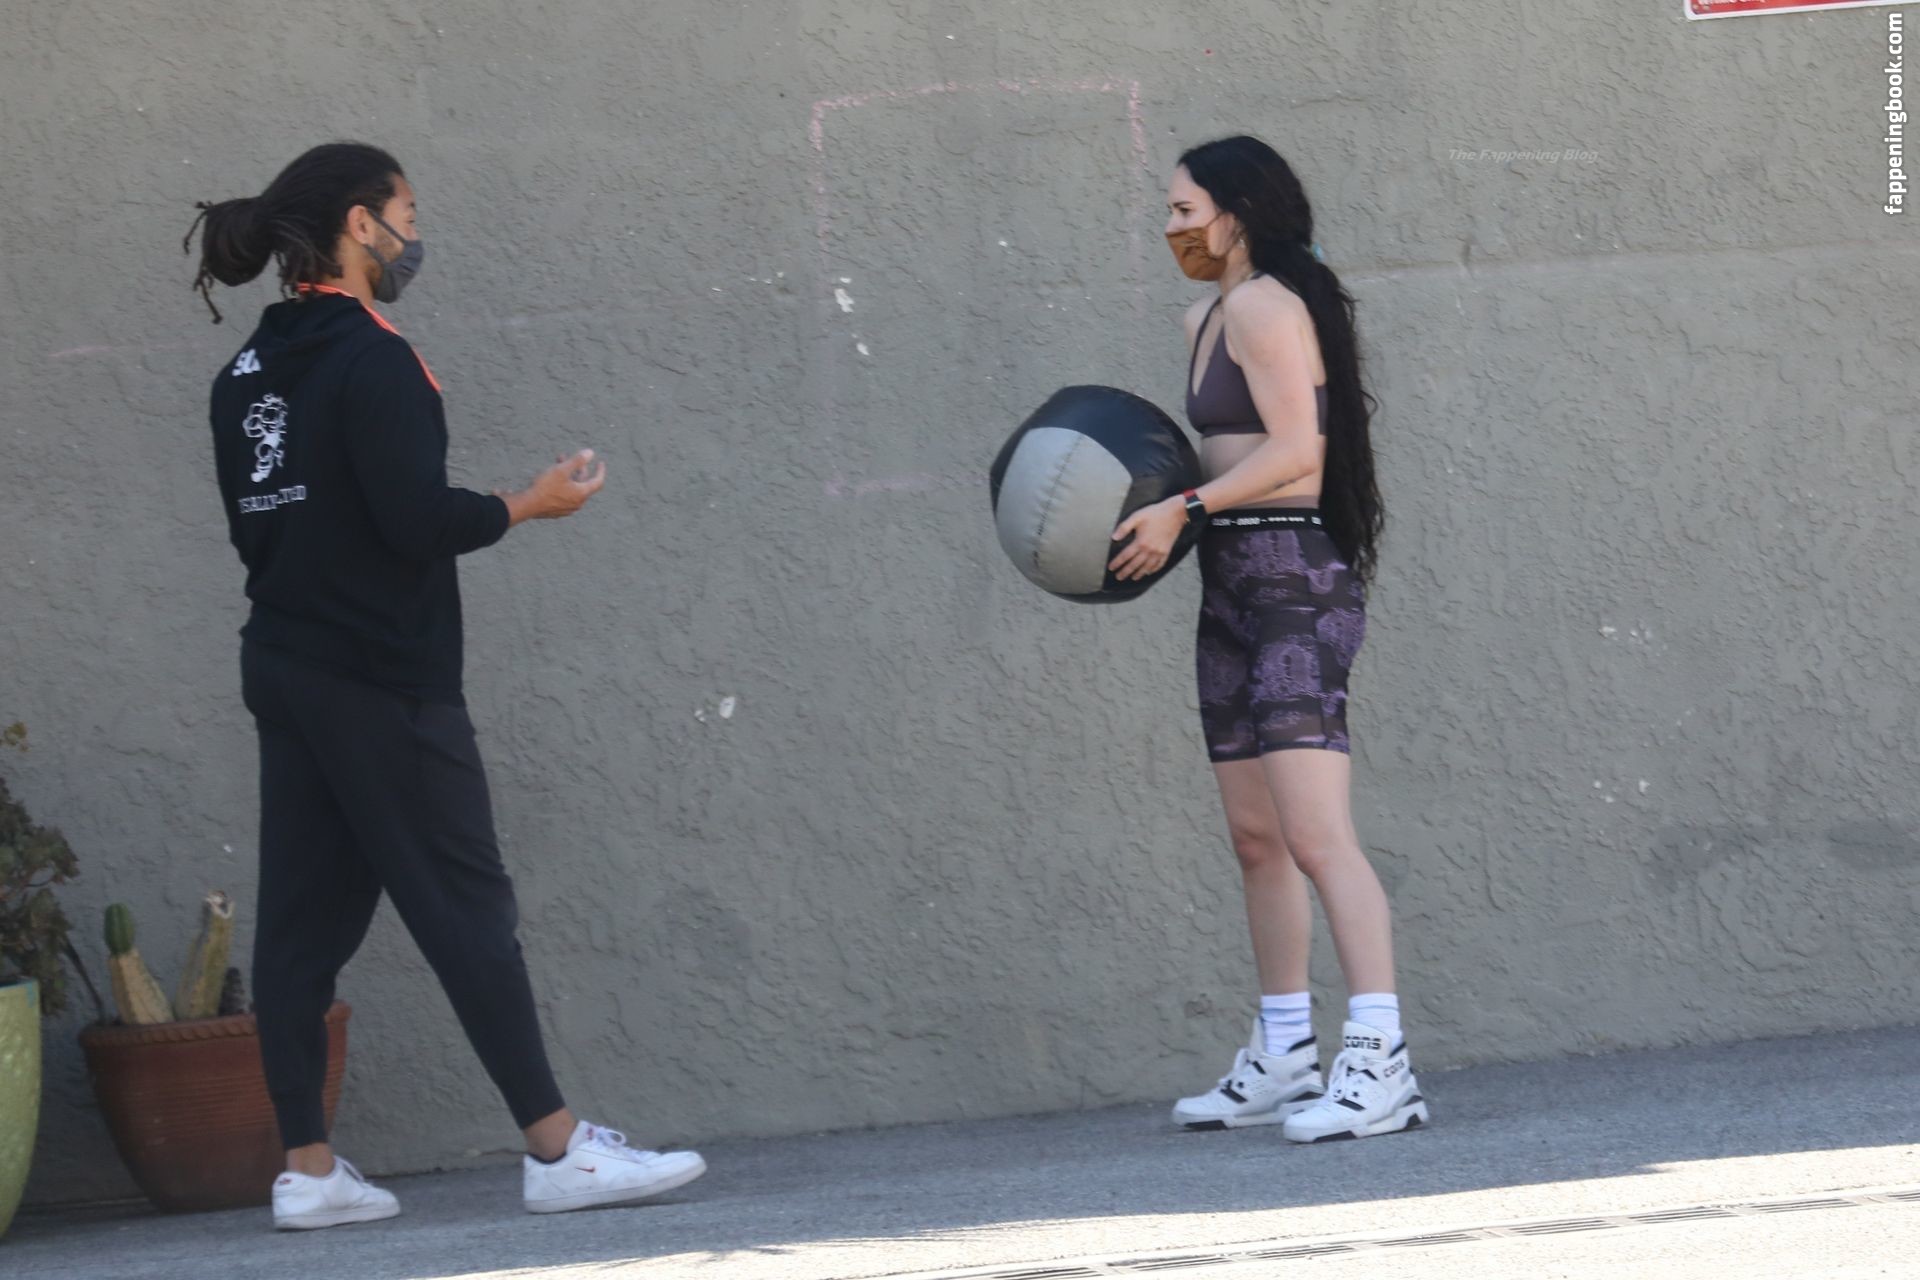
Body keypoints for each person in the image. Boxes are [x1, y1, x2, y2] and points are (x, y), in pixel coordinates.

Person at [187, 141, 706, 1228]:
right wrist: (528, 504)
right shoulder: (377, 357)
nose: (415, 237)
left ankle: (309, 1171)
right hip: (384, 678)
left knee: (300, 926)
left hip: (285, 666)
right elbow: (416, 520)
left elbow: (259, 529)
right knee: (466, 904)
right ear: (359, 225)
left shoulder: (242, 374)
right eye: (408, 215)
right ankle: (557, 1149)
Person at [1110, 135, 1429, 1143]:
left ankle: (1380, 1059)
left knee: (1318, 837)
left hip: (1293, 582)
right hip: (1230, 584)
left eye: (1184, 210)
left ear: (1237, 212)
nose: (1171, 227)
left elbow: (1298, 450)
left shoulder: (1264, 306)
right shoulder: (1206, 315)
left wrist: (1181, 508)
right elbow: (1225, 457)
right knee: (1257, 839)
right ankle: (1287, 1049)